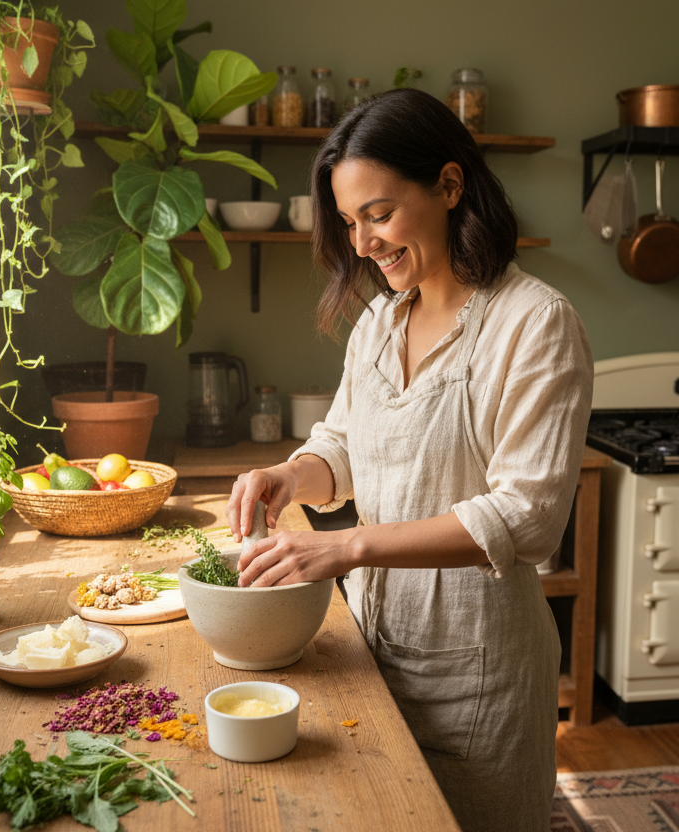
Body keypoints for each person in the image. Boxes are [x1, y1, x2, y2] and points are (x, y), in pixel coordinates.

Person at [227, 88, 592, 832]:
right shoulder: (380, 321)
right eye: (349, 222)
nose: (362, 244)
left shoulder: (535, 323)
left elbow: (527, 519)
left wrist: (348, 546)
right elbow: (343, 443)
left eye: (379, 214)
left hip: (479, 682)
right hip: (372, 656)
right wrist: (290, 475)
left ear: (450, 186)